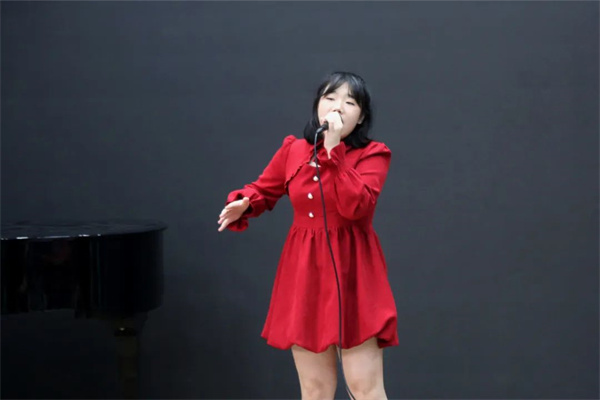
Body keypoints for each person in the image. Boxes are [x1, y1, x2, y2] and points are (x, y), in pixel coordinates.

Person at [218, 71, 398, 400]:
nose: (337, 107)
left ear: (361, 117)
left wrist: (333, 150)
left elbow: (356, 206)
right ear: (317, 105)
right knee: (314, 390)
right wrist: (246, 203)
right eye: (330, 98)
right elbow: (264, 189)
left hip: (354, 272)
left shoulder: (374, 154)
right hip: (304, 272)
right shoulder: (294, 149)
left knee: (365, 389)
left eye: (350, 102)